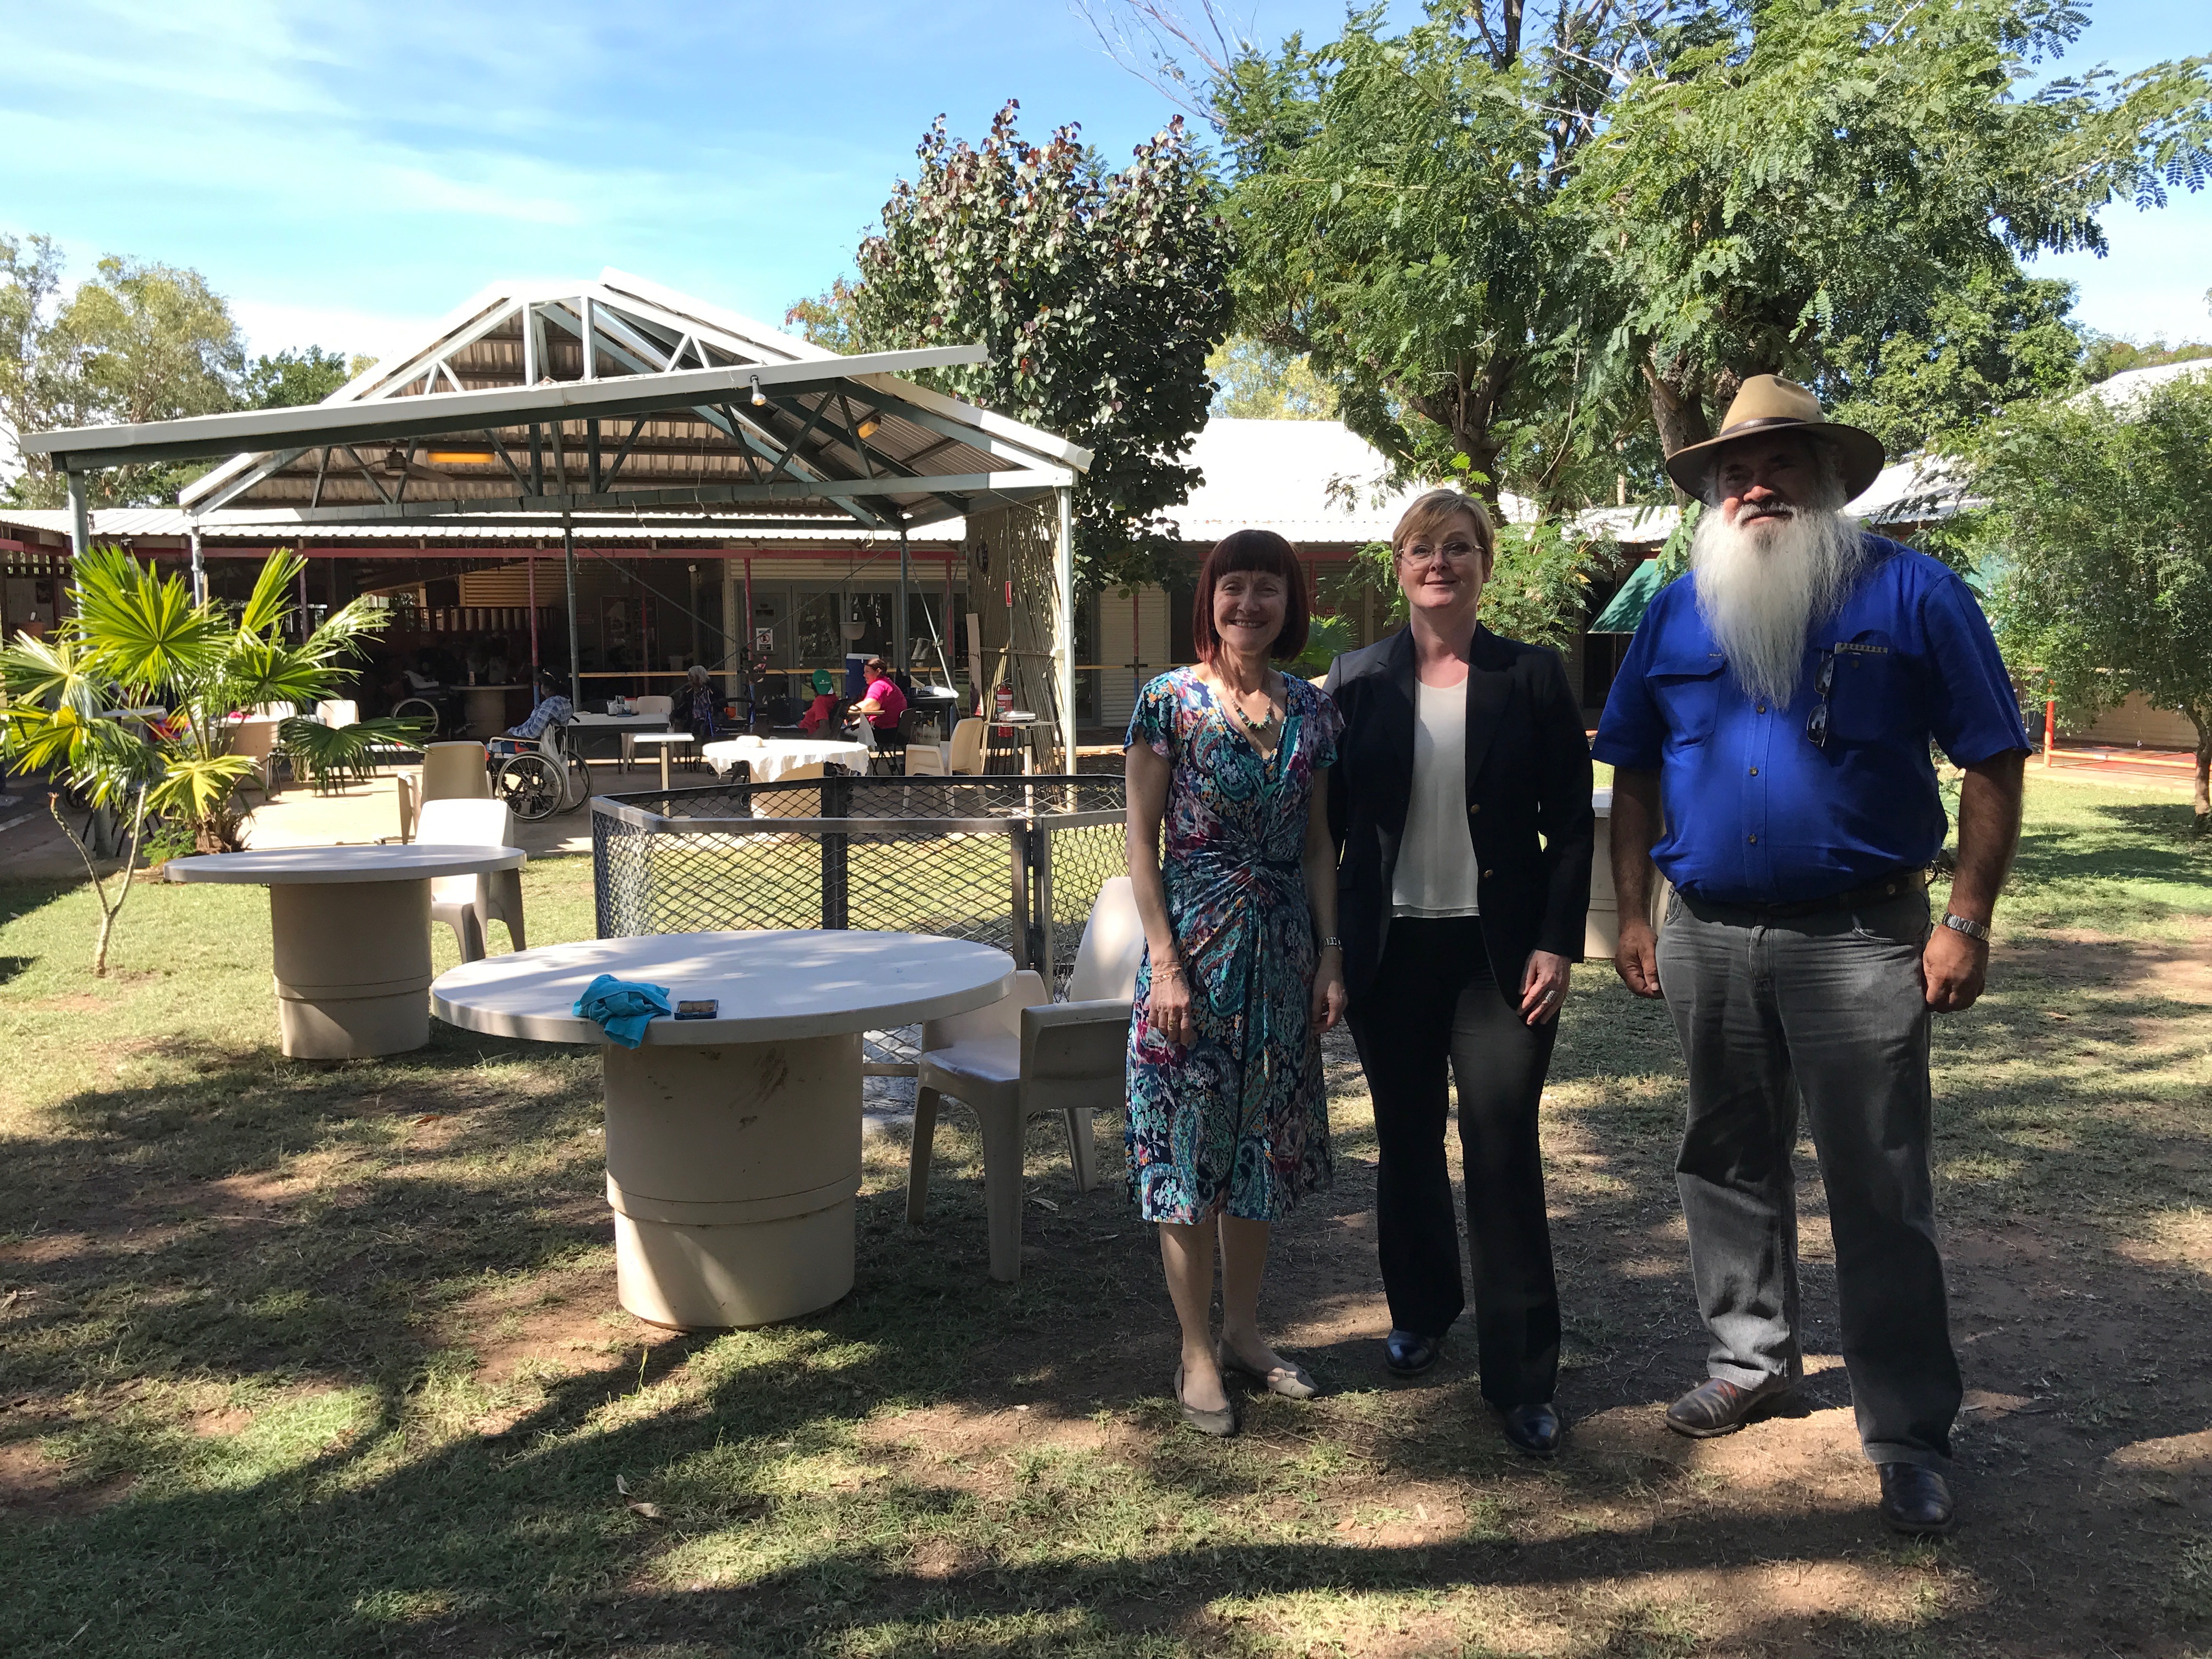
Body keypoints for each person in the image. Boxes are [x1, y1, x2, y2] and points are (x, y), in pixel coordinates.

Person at [1593, 375, 2030, 1537]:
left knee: (1879, 1184)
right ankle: (1751, 1359)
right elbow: (1633, 767)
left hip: (1860, 933)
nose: (1756, 485)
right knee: (1723, 1156)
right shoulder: (1678, 611)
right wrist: (1629, 913)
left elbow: (1993, 755)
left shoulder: (1914, 593)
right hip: (1710, 934)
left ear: (1830, 477)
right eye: (1735, 470)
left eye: (1781, 463)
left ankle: (1906, 1432)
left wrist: (1968, 918)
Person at [1322, 489, 1594, 1457]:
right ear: (1396, 565)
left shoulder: (1531, 675)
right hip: (1389, 951)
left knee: (1501, 1143)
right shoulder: (1352, 680)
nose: (1440, 561)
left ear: (1485, 563)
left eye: (1459, 546)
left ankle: (1521, 1371)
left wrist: (1557, 942)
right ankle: (1422, 1310)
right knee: (1404, 1137)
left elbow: (1570, 823)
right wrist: (1331, 950)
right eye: (1421, 547)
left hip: (1497, 954)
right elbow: (1328, 829)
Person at [1126, 529, 1345, 1438]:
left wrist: (1330, 953)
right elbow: (1141, 838)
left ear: (1290, 603)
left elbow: (1315, 844)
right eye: (1232, 587)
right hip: (1193, 956)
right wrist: (1165, 961)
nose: (1248, 604)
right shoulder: (1167, 702)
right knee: (1189, 1151)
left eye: (1267, 589)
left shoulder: (1310, 708)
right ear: (1208, 599)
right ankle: (1195, 1348)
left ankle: (1247, 1330)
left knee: (1259, 1148)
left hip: (1284, 955)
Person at [505, 670, 573, 741]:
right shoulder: (567, 704)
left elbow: (533, 732)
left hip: (534, 744)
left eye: (542, 684)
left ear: (548, 688)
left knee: (495, 746)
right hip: (555, 744)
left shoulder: (550, 706)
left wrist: (511, 732)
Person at [851, 656, 908, 733]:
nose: (864, 675)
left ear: (878, 672)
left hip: (884, 731)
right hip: (894, 729)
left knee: (844, 734)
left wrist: (849, 710)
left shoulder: (879, 685)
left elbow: (871, 705)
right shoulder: (887, 683)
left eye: (867, 672)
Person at [679, 663, 720, 743]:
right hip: (694, 722)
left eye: (691, 678)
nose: (689, 681)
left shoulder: (713, 690)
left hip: (712, 720)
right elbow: (685, 706)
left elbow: (721, 706)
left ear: (698, 677)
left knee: (704, 727)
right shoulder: (689, 692)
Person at [797, 669, 840, 736]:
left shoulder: (820, 701)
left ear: (813, 687)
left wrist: (808, 743)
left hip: (804, 737)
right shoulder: (834, 699)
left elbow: (825, 729)